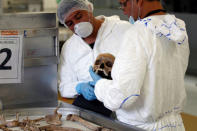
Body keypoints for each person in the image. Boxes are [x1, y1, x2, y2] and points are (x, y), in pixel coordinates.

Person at [88, 0, 190, 130]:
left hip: (141, 127)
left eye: (124, 3)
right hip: (174, 125)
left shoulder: (137, 33)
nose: (123, 10)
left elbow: (121, 96)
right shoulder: (176, 28)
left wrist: (100, 85)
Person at [57, 0, 132, 117]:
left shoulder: (123, 30)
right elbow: (64, 87)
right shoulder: (69, 47)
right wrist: (80, 87)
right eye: (70, 23)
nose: (77, 24)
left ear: (89, 10)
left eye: (79, 16)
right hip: (91, 111)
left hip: (126, 109)